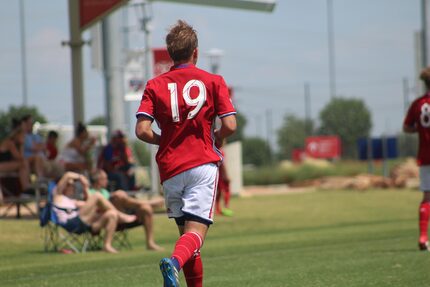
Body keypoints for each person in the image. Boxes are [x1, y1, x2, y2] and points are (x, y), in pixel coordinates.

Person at [135, 20, 236, 287]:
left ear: (170, 53)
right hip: (202, 163)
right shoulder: (213, 81)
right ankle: (173, 264)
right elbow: (230, 125)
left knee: (188, 242)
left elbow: (142, 130)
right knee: (195, 237)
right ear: (196, 52)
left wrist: (163, 139)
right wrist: (216, 137)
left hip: (170, 169)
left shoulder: (155, 85)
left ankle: (180, 268)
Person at [53, 171, 137, 253]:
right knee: (97, 195)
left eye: (72, 185)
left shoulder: (73, 201)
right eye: (69, 185)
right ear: (63, 186)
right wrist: (81, 178)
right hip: (71, 224)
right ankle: (121, 216)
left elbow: (92, 204)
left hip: (84, 225)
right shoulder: (57, 196)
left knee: (112, 214)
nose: (72, 186)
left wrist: (85, 188)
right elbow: (67, 175)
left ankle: (107, 245)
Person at [88, 169, 164, 251]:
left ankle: (150, 243)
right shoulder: (90, 193)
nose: (107, 180)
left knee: (146, 208)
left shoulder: (105, 192)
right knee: (119, 194)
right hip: (105, 219)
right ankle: (149, 203)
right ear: (98, 181)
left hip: (120, 216)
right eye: (105, 178)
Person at [403, 66, 430, 251]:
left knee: (427, 197)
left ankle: (423, 237)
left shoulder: (418, 104)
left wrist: (419, 130)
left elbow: (406, 127)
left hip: (425, 156)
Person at [0, 127, 32, 192]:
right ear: (17, 135)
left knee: (23, 163)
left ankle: (26, 186)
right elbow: (20, 157)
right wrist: (22, 145)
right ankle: (26, 188)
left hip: (3, 165)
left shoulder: (13, 143)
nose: (24, 138)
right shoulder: (10, 143)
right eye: (22, 136)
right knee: (22, 164)